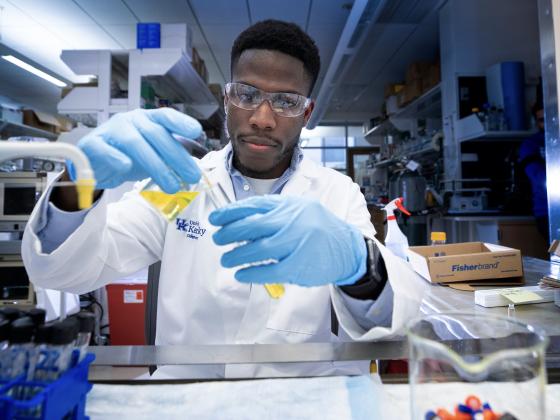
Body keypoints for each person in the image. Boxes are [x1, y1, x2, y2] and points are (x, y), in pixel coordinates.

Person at [22, 20, 423, 379]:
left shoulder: (336, 194)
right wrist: (78, 184)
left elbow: (393, 320)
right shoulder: (180, 185)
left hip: (303, 403)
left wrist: (359, 266)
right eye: (247, 94)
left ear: (306, 112)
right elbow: (64, 273)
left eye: (286, 101)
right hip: (187, 402)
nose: (263, 118)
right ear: (227, 98)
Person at [519, 100, 549, 244]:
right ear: (537, 122)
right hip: (546, 212)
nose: (546, 123)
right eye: (542, 120)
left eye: (549, 117)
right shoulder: (531, 145)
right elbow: (538, 177)